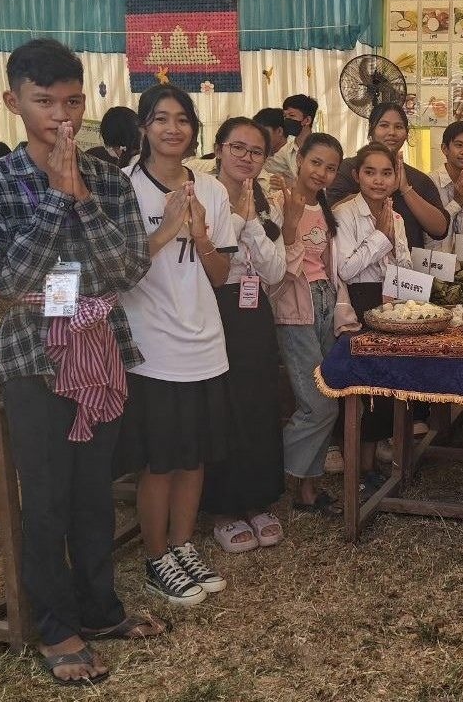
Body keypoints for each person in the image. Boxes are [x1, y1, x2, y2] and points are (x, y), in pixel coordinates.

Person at [0, 38, 161, 686]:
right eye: (44, 101)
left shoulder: (107, 175)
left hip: (101, 349)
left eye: (73, 100)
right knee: (46, 498)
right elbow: (10, 274)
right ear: (13, 101)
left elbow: (130, 264)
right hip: (32, 357)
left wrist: (80, 193)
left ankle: (100, 607)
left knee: (93, 491)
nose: (62, 115)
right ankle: (56, 625)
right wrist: (55, 192)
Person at [116, 84, 235, 607]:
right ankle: (155, 556)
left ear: (193, 129)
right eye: (160, 118)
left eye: (182, 119)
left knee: (195, 456)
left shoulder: (211, 189)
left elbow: (220, 274)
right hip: (150, 345)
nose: (172, 128)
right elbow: (115, 273)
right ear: (143, 127)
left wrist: (203, 237)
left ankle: (183, 546)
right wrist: (165, 230)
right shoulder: (120, 189)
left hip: (204, 339)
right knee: (159, 460)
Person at [201, 117, 288, 554]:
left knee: (258, 403)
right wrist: (236, 219)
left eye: (256, 152)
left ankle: (257, 500)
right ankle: (222, 508)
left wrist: (253, 220)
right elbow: (204, 261)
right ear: (218, 149)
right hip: (210, 310)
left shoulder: (268, 201)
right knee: (220, 407)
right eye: (238, 148)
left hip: (254, 313)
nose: (246, 158)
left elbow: (274, 270)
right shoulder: (198, 193)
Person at [273, 132, 354, 515]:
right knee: (319, 405)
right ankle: (261, 466)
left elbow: (329, 267)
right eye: (315, 162)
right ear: (299, 158)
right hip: (294, 309)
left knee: (328, 400)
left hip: (324, 304)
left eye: (331, 167)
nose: (321, 172)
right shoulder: (277, 202)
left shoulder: (327, 209)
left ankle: (308, 492)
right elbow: (274, 268)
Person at [334, 142, 413, 492]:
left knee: (384, 387)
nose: (379, 180)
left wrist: (395, 255)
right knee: (359, 388)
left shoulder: (396, 216)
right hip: (358, 303)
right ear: (356, 175)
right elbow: (347, 269)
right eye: (370, 172)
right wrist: (381, 237)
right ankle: (356, 467)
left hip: (390, 302)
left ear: (396, 177)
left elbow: (406, 264)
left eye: (386, 173)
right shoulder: (344, 213)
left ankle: (369, 468)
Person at [328, 102, 449, 248]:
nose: (391, 132)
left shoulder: (419, 179)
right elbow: (330, 214)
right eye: (384, 125)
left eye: (398, 127)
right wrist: (380, 191)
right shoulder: (349, 168)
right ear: (371, 130)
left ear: (406, 134)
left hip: (405, 267)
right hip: (356, 264)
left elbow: (440, 229)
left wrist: (405, 189)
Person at [428, 120, 463, 252]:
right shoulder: (429, 182)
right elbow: (431, 230)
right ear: (445, 148)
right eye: (459, 145)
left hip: (459, 267)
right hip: (430, 264)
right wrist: (457, 202)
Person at [263, 94, 317, 186]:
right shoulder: (287, 150)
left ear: (307, 120)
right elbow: (267, 167)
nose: (287, 120)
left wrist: (293, 183)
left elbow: (322, 184)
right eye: (285, 116)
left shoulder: (322, 147)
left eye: (292, 115)